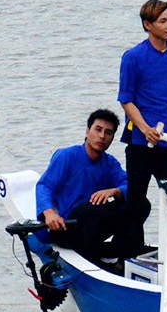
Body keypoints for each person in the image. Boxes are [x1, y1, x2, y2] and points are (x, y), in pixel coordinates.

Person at [35, 109, 143, 267]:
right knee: (91, 208)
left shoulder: (110, 163)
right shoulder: (67, 156)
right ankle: (94, 263)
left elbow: (130, 186)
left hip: (92, 229)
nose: (102, 136)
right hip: (66, 227)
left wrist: (115, 191)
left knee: (140, 204)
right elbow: (44, 186)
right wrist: (49, 214)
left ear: (112, 138)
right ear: (87, 131)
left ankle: (128, 256)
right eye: (98, 130)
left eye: (108, 133)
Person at [119, 0, 167, 248]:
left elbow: (166, 94)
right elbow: (126, 100)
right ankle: (132, 254)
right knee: (136, 203)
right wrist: (145, 129)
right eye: (163, 21)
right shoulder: (133, 57)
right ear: (148, 25)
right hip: (141, 144)